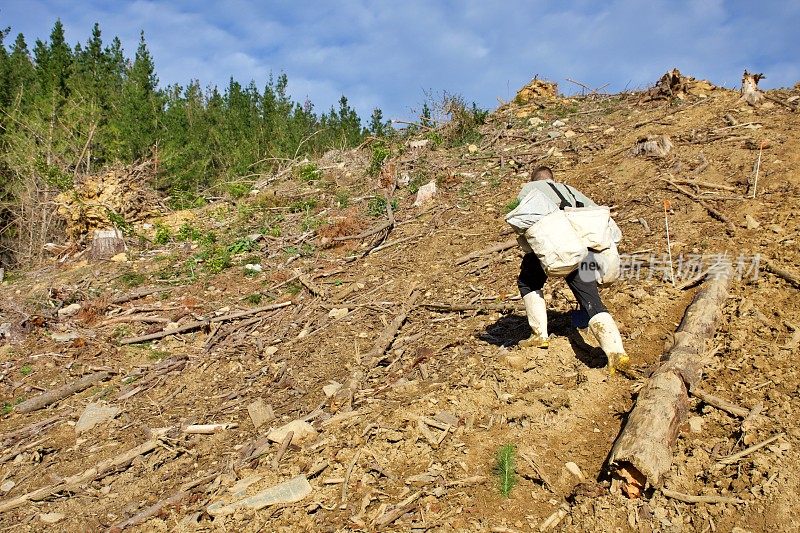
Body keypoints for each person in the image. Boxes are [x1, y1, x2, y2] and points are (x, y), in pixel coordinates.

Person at [516, 166, 629, 375]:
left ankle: (539, 335)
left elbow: (526, 221)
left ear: (534, 180)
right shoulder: (569, 190)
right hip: (586, 249)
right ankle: (616, 352)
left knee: (528, 281)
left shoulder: (530, 189)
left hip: (558, 249)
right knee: (590, 299)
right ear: (553, 180)